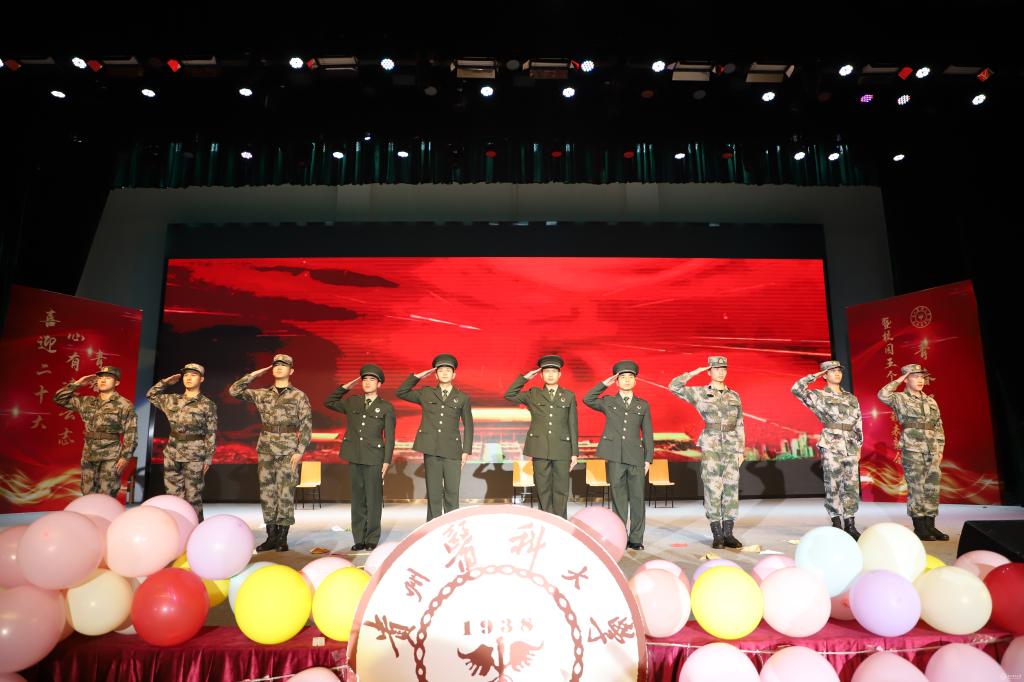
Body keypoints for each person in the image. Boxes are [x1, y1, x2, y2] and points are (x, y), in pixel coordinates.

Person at [229, 354, 312, 552]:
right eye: (275, 365)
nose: (279, 368)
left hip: (288, 450)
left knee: (285, 493)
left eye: (284, 365)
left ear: (291, 370)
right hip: (266, 449)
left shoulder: (299, 396)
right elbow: (234, 391)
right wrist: (255, 374)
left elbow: (306, 425)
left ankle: (282, 538)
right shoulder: (262, 394)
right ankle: (271, 536)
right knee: (267, 494)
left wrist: (300, 451)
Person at [669, 356, 745, 549]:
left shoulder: (734, 395)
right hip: (711, 445)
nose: (721, 372)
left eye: (724, 368)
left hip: (732, 446)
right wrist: (693, 373)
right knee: (713, 488)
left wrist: (740, 449)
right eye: (716, 368)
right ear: (709, 371)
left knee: (731, 488)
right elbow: (674, 387)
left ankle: (728, 533)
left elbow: (740, 423)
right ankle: (717, 534)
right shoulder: (700, 392)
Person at [583, 360, 654, 550]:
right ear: (617, 381)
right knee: (619, 499)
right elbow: (588, 399)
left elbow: (648, 433)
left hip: (636, 458)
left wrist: (648, 459)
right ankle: (620, 536)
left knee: (638, 499)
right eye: (622, 377)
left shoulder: (642, 405)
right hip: (614, 456)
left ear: (635, 381)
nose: (627, 380)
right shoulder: (608, 402)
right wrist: (604, 384)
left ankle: (636, 538)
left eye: (631, 377)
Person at [325, 364, 396, 551]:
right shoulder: (353, 402)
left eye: (372, 379)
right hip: (355, 456)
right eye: (364, 379)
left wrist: (386, 461)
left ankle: (372, 538)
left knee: (373, 500)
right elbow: (329, 401)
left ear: (379, 384)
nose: (367, 382)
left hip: (374, 458)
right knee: (357, 500)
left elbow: (389, 437)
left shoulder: (386, 407)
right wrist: (345, 387)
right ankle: (359, 538)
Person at [396, 354, 474, 521]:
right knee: (434, 493)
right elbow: (401, 392)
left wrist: (466, 451)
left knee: (452, 493)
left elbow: (469, 425)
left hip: (453, 451)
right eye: (440, 370)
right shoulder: (426, 393)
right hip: (431, 449)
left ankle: (451, 526)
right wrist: (418, 377)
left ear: (454, 375)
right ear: (435, 375)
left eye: (448, 370)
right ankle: (433, 528)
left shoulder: (462, 397)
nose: (444, 373)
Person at [791, 360, 863, 538]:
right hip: (831, 444)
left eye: (839, 370)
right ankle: (836, 521)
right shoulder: (819, 396)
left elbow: (858, 422)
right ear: (825, 375)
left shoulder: (851, 398)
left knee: (851, 486)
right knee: (833, 484)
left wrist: (859, 446)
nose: (837, 373)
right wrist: (815, 376)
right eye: (832, 371)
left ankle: (850, 523)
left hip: (851, 445)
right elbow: (796, 389)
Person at [877, 364, 948, 541]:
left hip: (932, 449)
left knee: (932, 488)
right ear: (906, 379)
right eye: (915, 376)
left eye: (922, 376)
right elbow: (882, 394)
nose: (920, 380)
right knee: (917, 487)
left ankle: (931, 525)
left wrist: (940, 449)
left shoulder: (930, 401)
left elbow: (938, 426)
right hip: (912, 448)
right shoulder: (899, 398)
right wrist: (899, 379)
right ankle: (920, 527)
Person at [504, 355, 579, 518]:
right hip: (540, 448)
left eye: (554, 371)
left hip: (562, 448)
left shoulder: (569, 395)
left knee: (561, 488)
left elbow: (572, 424)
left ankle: (560, 522)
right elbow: (509, 394)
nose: (550, 374)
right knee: (542, 487)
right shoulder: (533, 394)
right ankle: (547, 520)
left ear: (560, 374)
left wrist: (575, 452)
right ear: (541, 375)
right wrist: (525, 378)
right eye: (546, 371)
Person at [54, 365, 138, 497]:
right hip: (89, 454)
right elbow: (59, 399)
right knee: (87, 494)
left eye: (108, 378)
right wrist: (77, 384)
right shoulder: (87, 402)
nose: (103, 380)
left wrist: (125, 456)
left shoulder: (124, 404)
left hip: (111, 455)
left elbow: (131, 432)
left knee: (107, 494)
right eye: (100, 378)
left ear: (117, 382)